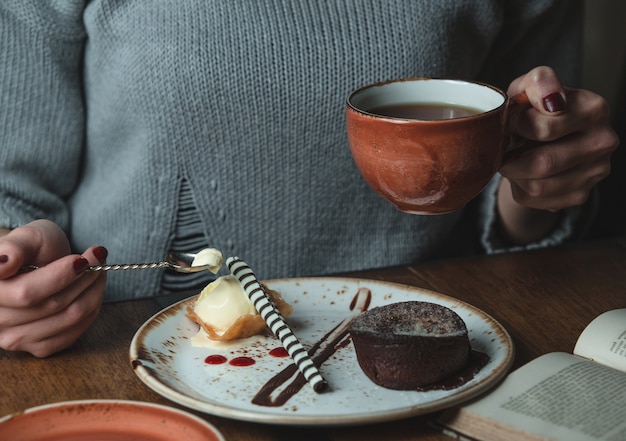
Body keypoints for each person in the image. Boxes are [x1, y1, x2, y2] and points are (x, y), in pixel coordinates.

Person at [0, 0, 618, 357]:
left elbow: (522, 167)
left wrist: (539, 186)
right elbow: (9, 186)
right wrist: (17, 268)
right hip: (133, 346)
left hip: (433, 339)